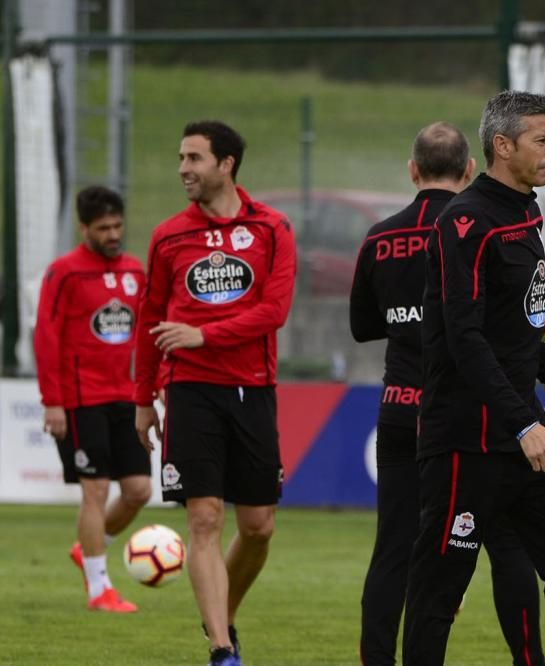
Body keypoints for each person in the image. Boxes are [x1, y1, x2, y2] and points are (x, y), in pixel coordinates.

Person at [401, 91, 545, 665]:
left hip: (521, 434)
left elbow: (535, 291)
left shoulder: (525, 210)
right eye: (543, 140)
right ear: (503, 146)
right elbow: (463, 336)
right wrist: (527, 424)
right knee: (438, 592)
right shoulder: (464, 222)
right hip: (464, 441)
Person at [350, 122, 545, 665]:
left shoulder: (381, 236)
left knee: (396, 551)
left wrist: (410, 321)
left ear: (413, 171)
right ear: (471, 169)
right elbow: (499, 323)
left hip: (402, 408)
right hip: (467, 417)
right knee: (507, 548)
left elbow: (363, 326)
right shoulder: (479, 227)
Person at [134, 120, 296, 666]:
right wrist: (141, 398)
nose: (183, 168)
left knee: (258, 527)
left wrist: (204, 333)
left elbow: (273, 312)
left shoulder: (273, 229)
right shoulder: (167, 235)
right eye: (181, 158)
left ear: (226, 164)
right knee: (204, 518)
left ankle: (221, 614)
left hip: (253, 389)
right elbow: (149, 319)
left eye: (194, 158)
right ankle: (223, 651)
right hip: (188, 390)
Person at [33, 185, 151, 613]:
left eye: (118, 225)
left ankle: (90, 549)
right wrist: (52, 401)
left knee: (138, 490)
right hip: (82, 399)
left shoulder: (135, 271)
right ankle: (99, 588)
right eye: (103, 228)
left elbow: (143, 333)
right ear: (84, 228)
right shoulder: (64, 272)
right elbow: (46, 337)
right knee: (96, 489)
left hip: (125, 395)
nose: (113, 234)